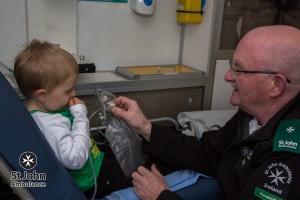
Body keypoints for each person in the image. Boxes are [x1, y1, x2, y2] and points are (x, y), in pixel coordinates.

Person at [111, 25, 300, 200]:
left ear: (275, 85)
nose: (228, 76)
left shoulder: (289, 155)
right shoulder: (250, 115)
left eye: (239, 69)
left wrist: (161, 196)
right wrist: (145, 126)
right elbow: (206, 153)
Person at [13, 39, 134, 199]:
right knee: (136, 173)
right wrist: (80, 116)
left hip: (93, 161)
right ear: (42, 95)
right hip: (91, 178)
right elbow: (75, 159)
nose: (73, 94)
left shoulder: (37, 108)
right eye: (68, 90)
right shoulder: (51, 125)